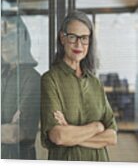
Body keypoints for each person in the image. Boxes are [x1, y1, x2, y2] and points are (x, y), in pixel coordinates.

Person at [41, 10, 117, 161]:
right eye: (72, 37)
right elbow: (59, 136)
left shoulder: (95, 83)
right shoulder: (50, 79)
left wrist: (72, 134)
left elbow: (112, 137)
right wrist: (96, 127)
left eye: (84, 38)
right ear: (62, 38)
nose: (78, 44)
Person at [1, 16, 40, 159]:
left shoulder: (32, 79)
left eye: (10, 38)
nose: (4, 44)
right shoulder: (2, 76)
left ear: (23, 41)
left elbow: (15, 133)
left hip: (17, 159)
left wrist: (11, 129)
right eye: (1, 38)